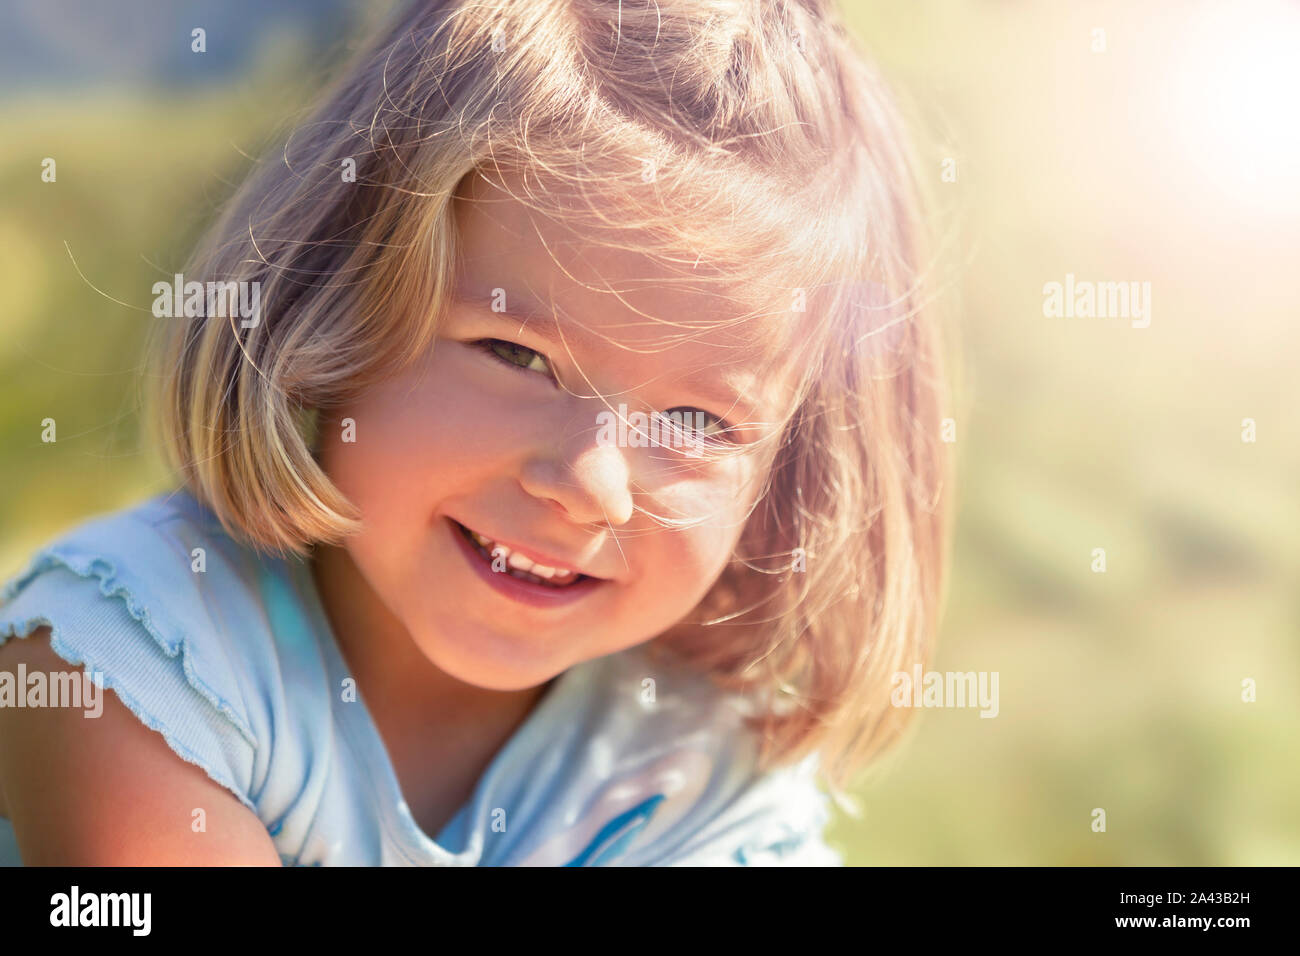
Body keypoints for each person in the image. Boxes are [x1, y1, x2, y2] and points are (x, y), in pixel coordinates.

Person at [0, 0, 951, 866]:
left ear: (790, 475)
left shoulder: (698, 783)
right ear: (338, 305)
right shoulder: (125, 663)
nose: (590, 481)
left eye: (697, 420)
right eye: (515, 353)